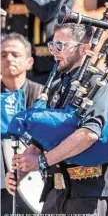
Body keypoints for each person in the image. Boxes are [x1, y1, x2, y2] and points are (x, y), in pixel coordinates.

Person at [4, 22, 108, 215]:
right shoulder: (57, 87)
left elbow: (89, 134)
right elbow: (40, 141)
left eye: (61, 46)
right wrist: (21, 171)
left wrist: (42, 162)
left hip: (87, 192)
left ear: (84, 48)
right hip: (56, 190)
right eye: (52, 45)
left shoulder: (98, 83)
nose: (54, 52)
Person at [1, 33, 43, 214]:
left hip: (37, 184)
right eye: (3, 55)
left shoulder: (43, 94)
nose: (9, 59)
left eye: (15, 54)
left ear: (29, 62)